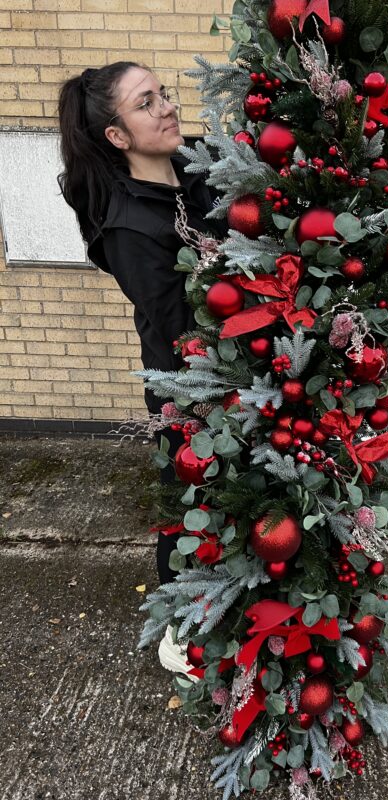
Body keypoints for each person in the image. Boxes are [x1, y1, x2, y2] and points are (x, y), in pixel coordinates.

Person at [57, 62, 225, 591]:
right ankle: (178, 623)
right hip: (190, 387)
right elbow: (185, 329)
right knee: (189, 503)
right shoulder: (129, 227)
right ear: (117, 135)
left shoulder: (199, 168)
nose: (168, 107)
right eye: (146, 102)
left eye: (164, 93)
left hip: (249, 373)